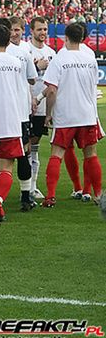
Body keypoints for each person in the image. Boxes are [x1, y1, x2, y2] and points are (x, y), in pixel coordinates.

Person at [41, 23, 103, 209]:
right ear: (82, 38)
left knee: (57, 154)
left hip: (66, 115)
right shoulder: (90, 59)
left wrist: (48, 114)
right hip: (87, 114)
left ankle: (50, 196)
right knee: (90, 155)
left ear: (65, 38)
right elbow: (93, 88)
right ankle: (98, 195)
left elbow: (51, 90)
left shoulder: (60, 59)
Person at [0, 24, 26, 225]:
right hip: (10, 118)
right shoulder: (15, 62)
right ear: (9, 41)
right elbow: (20, 91)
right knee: (6, 168)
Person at [5, 16, 38, 210]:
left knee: (14, 154)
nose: (14, 33)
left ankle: (22, 195)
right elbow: (32, 79)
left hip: (17, 109)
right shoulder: (23, 53)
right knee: (22, 152)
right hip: (20, 111)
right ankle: (25, 196)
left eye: (17, 30)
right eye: (12, 30)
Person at [28, 17, 56, 199]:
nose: (43, 33)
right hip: (24, 106)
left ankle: (32, 186)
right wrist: (37, 67)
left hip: (40, 106)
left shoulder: (52, 53)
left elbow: (54, 83)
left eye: (45, 29)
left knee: (34, 147)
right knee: (23, 148)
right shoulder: (25, 50)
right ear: (31, 31)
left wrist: (39, 99)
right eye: (39, 29)